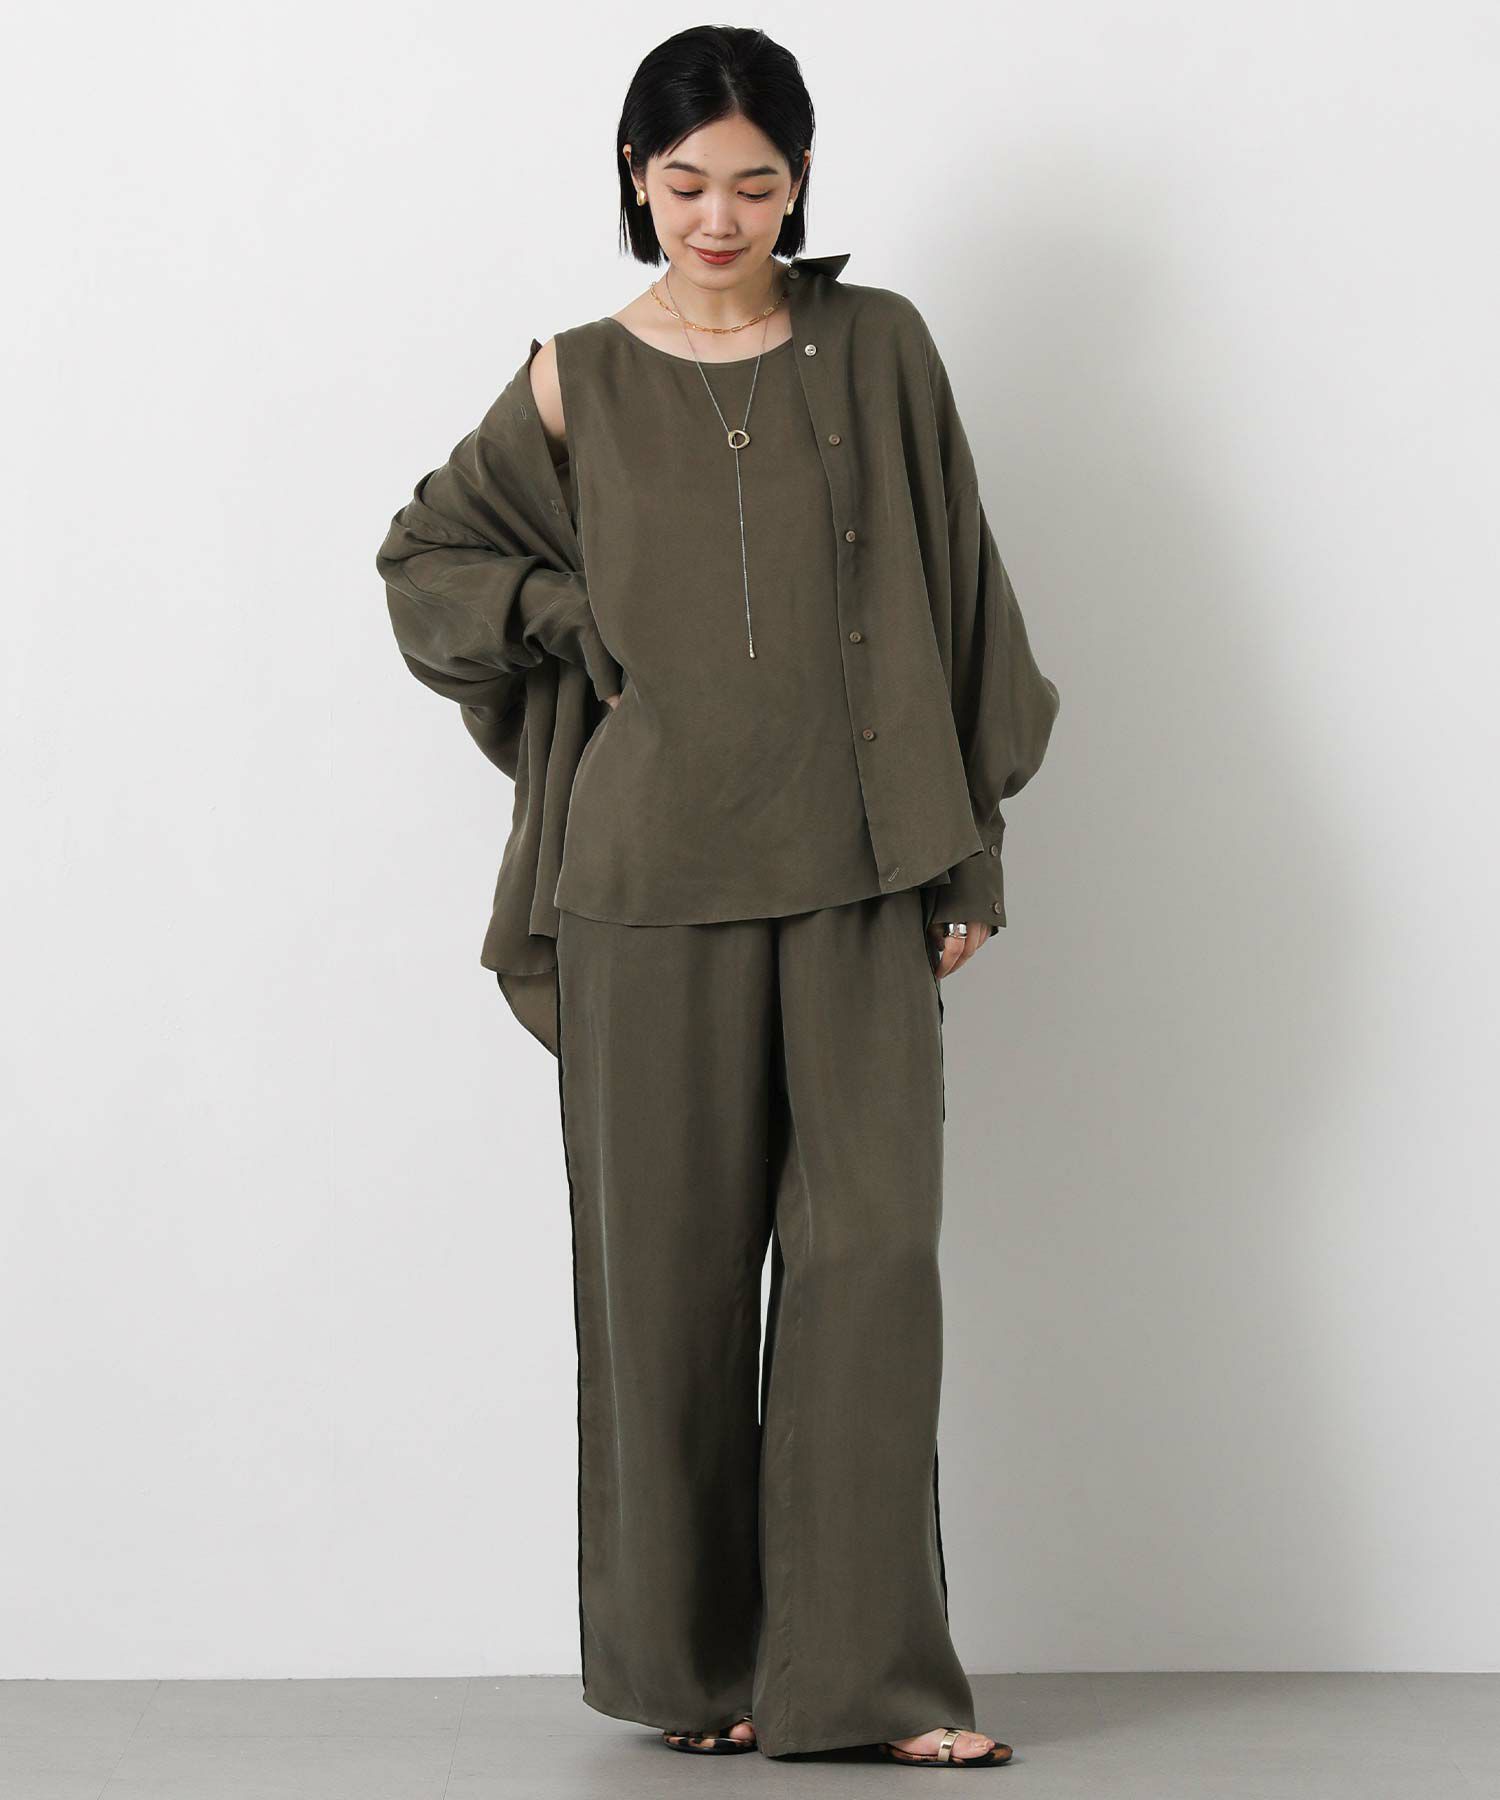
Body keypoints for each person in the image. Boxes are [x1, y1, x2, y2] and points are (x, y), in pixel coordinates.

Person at [375, 24, 1061, 1769]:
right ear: (636, 178)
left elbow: (962, 595)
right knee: (666, 1293)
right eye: (686, 183)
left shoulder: (879, 346)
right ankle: (698, 1676)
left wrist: (969, 850)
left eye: (756, 183)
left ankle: (869, 1684)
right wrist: (559, 612)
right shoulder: (574, 380)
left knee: (869, 1269)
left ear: (802, 180)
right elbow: (427, 561)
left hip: (858, 874)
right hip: (644, 886)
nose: (720, 217)